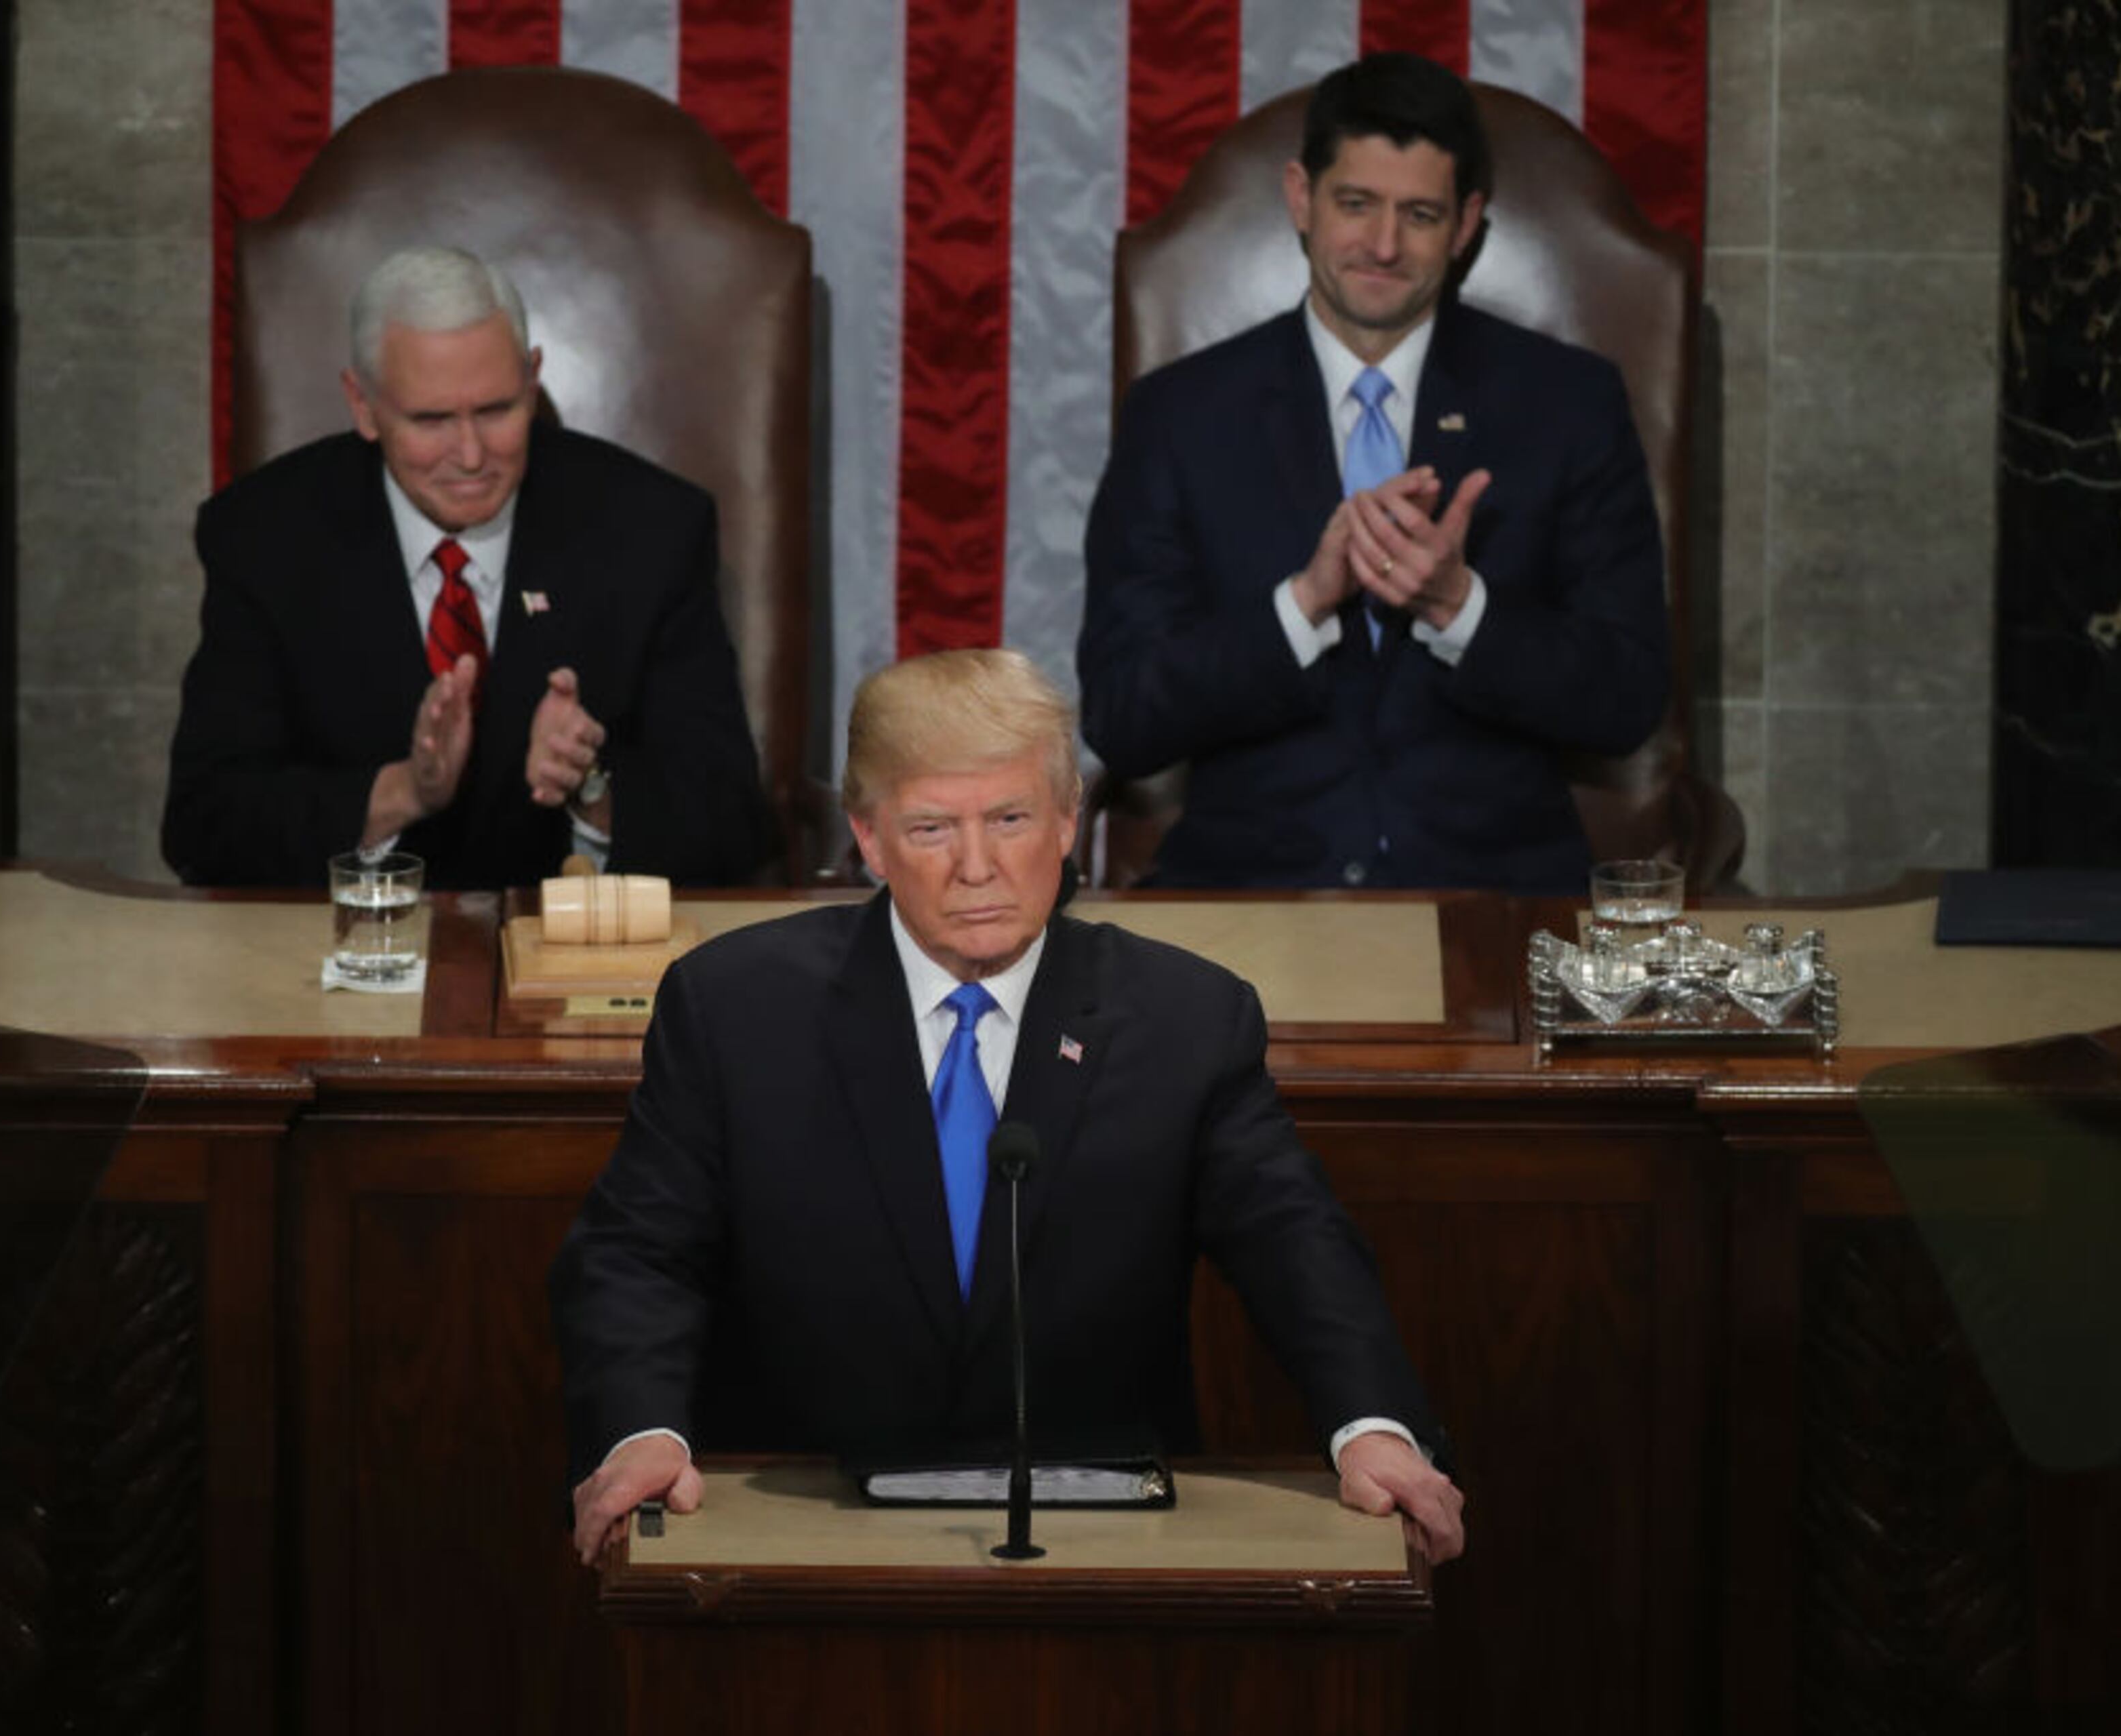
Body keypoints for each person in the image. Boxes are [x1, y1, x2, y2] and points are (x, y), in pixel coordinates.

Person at [549, 648, 1465, 1567]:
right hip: (798, 1517)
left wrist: (1371, 1424)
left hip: (1100, 1532)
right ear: (867, 837)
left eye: (1011, 818)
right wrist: (641, 1436)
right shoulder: (734, 1009)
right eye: (933, 828)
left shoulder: (1188, 1019)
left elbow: (1295, 1243)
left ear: (1068, 820)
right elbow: (637, 1253)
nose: (976, 868)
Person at [1079, 52, 1672, 892]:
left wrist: (1457, 606)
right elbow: (1123, 714)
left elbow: (1627, 698)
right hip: (1252, 896)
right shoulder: (1180, 415)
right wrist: (1303, 604)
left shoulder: (1567, 404)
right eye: (1356, 204)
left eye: (1420, 214)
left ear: (1466, 226)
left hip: (1496, 903)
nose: (1383, 246)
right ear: (1301, 198)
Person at [162, 245, 771, 890]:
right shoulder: (265, 537)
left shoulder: (650, 530)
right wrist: (403, 792)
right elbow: (205, 826)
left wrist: (590, 785)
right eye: (431, 420)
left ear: (533, 380)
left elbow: (733, 823)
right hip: (343, 958)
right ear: (363, 405)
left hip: (568, 959)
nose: (472, 455)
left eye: (497, 411)